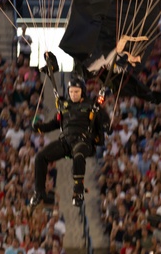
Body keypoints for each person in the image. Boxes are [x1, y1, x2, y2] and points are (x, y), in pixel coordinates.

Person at [30, 59, 112, 207]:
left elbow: (103, 120)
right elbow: (55, 124)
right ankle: (39, 192)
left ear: (82, 92)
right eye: (71, 92)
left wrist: (106, 126)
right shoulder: (64, 106)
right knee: (40, 157)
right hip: (66, 141)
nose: (73, 95)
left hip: (83, 141)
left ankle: (78, 191)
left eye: (77, 92)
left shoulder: (91, 106)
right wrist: (40, 128)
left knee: (78, 155)